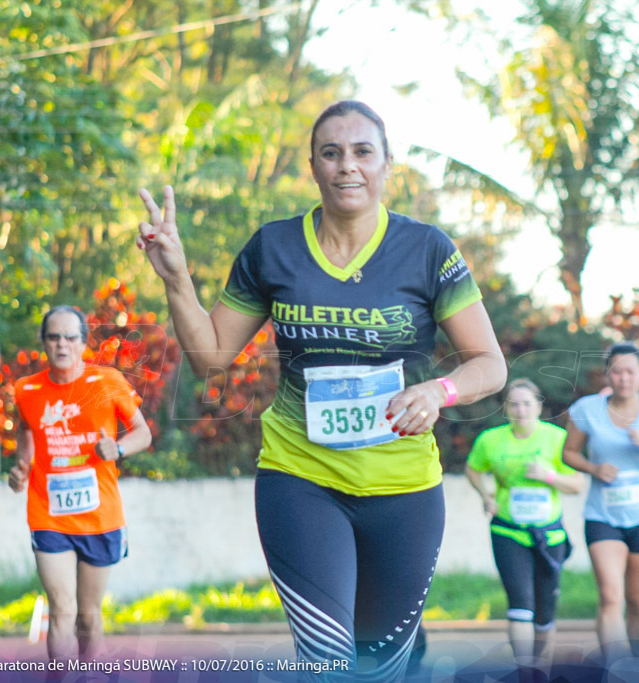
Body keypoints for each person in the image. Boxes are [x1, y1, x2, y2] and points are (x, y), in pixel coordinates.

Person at [136, 100, 507, 680]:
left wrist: (439, 392)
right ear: (312, 165)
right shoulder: (274, 248)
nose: (347, 166)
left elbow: (490, 363)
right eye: (331, 153)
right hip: (300, 480)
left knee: (381, 669)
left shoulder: (428, 250)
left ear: (388, 165)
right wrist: (177, 278)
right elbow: (210, 355)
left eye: (363, 152)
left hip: (405, 490)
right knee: (328, 661)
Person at [8, 305, 152, 661]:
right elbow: (27, 429)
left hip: (100, 516)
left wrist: (116, 448)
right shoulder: (27, 390)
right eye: (54, 336)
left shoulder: (107, 381)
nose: (62, 344)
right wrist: (21, 466)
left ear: (83, 343)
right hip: (48, 514)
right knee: (62, 609)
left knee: (88, 616)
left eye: (70, 337)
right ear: (44, 342)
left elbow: (143, 434)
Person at [561, 343, 639, 660]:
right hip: (602, 517)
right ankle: (613, 668)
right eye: (616, 371)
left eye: (630, 371)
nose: (623, 378)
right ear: (608, 375)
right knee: (610, 596)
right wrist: (593, 468)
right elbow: (568, 453)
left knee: (637, 600)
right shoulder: (587, 409)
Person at [465, 379, 583, 665]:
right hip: (508, 530)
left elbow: (578, 484)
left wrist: (549, 476)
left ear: (539, 407)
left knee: (544, 612)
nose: (520, 410)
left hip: (549, 536)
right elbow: (473, 468)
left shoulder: (556, 438)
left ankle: (540, 666)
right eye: (514, 404)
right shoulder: (490, 439)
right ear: (506, 408)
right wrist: (485, 495)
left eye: (527, 403)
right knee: (520, 605)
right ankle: (524, 671)